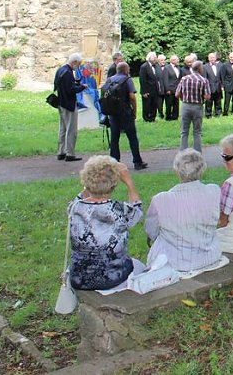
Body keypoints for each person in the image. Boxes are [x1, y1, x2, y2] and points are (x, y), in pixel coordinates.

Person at [67, 156, 143, 290]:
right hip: (112, 278)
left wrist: (91, 182)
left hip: (79, 279)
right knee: (139, 266)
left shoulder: (74, 207)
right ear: (114, 185)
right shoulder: (119, 211)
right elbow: (137, 210)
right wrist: (129, 181)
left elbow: (79, 197)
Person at [145, 149, 221, 271]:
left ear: (177, 171)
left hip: (173, 262)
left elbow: (151, 232)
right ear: (202, 170)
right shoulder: (214, 191)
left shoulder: (161, 200)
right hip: (210, 257)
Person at [104, 62, 147, 169]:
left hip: (113, 112)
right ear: (126, 70)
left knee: (114, 138)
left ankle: (114, 162)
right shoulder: (127, 80)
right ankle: (137, 162)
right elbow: (132, 97)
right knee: (132, 137)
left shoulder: (109, 80)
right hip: (125, 112)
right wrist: (134, 111)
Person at [54, 52, 86, 162]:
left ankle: (61, 151)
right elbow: (71, 89)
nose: (79, 66)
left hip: (61, 102)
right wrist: (82, 87)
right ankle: (70, 153)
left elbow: (59, 85)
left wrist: (75, 83)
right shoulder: (68, 72)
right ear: (74, 62)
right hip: (69, 104)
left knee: (62, 128)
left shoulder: (60, 70)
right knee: (71, 129)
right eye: (79, 64)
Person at [175, 60, 211, 152]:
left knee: (184, 131)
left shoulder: (184, 79)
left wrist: (183, 98)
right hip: (197, 107)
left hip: (186, 106)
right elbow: (207, 97)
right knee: (197, 132)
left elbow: (177, 94)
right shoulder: (204, 80)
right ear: (199, 68)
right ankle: (198, 153)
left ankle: (183, 153)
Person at [139, 51, 159, 123]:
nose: (155, 59)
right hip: (147, 90)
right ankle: (146, 118)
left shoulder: (155, 66)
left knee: (154, 104)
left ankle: (153, 118)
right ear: (150, 58)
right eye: (154, 57)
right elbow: (142, 80)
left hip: (155, 89)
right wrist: (144, 92)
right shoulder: (144, 67)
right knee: (147, 105)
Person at [203, 52, 223, 118]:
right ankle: (208, 114)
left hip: (218, 87)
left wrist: (222, 85)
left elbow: (221, 77)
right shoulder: (205, 67)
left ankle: (218, 113)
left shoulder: (219, 66)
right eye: (211, 58)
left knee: (218, 101)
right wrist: (205, 89)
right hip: (209, 87)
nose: (212, 59)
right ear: (208, 59)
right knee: (209, 102)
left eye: (213, 57)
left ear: (216, 58)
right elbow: (205, 79)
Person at [163, 55, 182, 121]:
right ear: (172, 60)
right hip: (170, 89)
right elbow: (165, 79)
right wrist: (167, 89)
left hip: (177, 89)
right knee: (169, 103)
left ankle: (175, 116)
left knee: (176, 103)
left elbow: (179, 78)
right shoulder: (167, 68)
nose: (178, 61)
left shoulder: (179, 68)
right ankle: (168, 116)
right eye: (176, 60)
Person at [155, 54, 167, 120]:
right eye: (162, 60)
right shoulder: (155, 67)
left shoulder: (167, 66)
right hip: (159, 87)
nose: (163, 61)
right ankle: (160, 113)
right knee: (159, 102)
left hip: (166, 87)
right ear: (158, 60)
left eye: (164, 60)